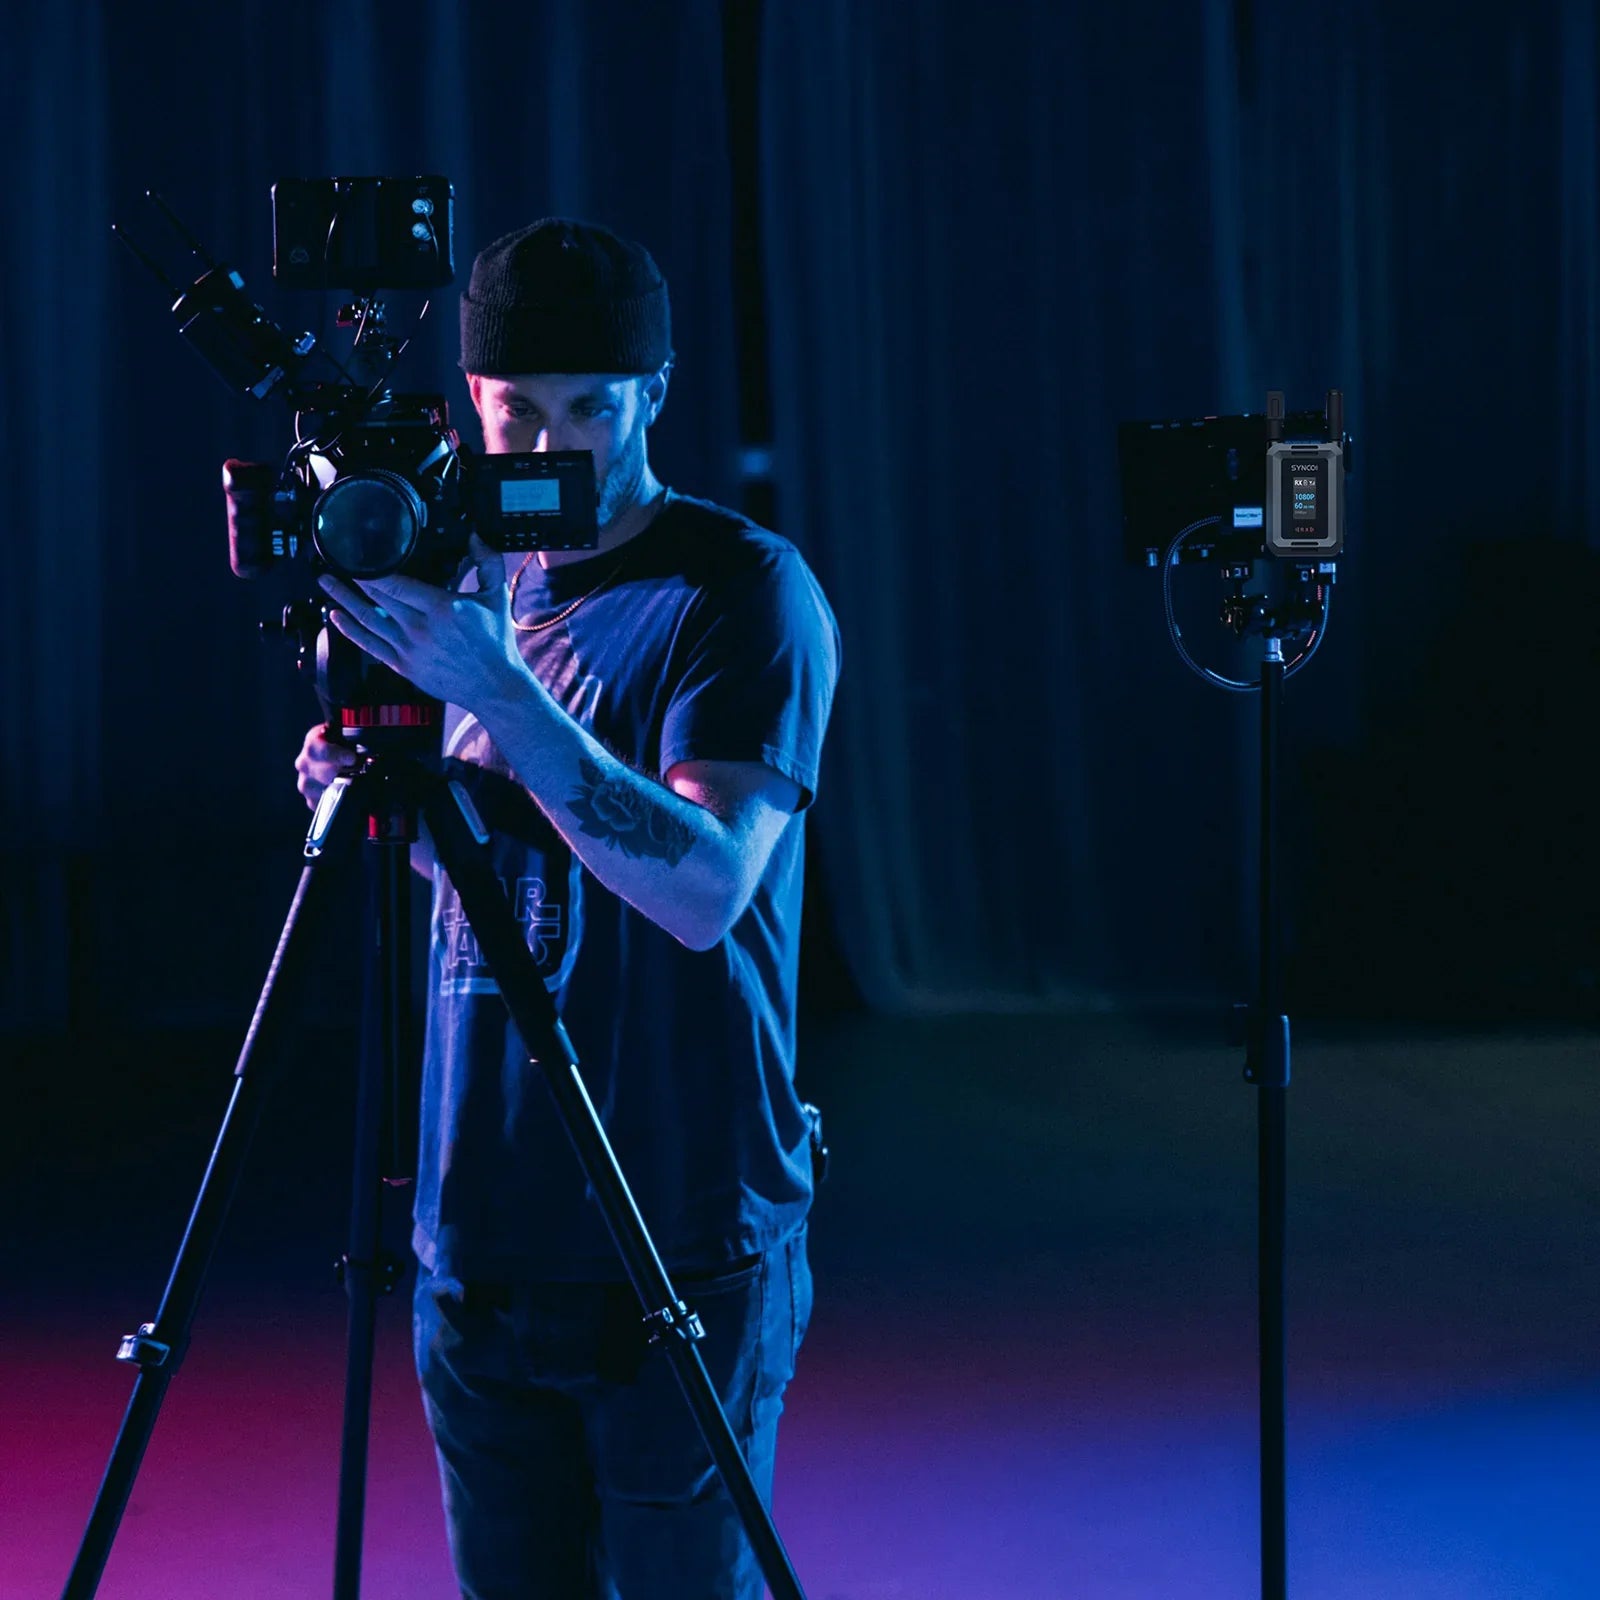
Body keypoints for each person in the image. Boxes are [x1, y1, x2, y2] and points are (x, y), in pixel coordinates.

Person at [293, 219, 840, 1599]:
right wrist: (401, 811)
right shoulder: (472, 591)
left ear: (654, 394)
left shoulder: (739, 591)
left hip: (676, 1225)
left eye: (591, 408)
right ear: (470, 409)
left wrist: (500, 699)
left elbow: (706, 888)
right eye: (516, 412)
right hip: (480, 1234)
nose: (554, 446)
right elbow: (521, 889)